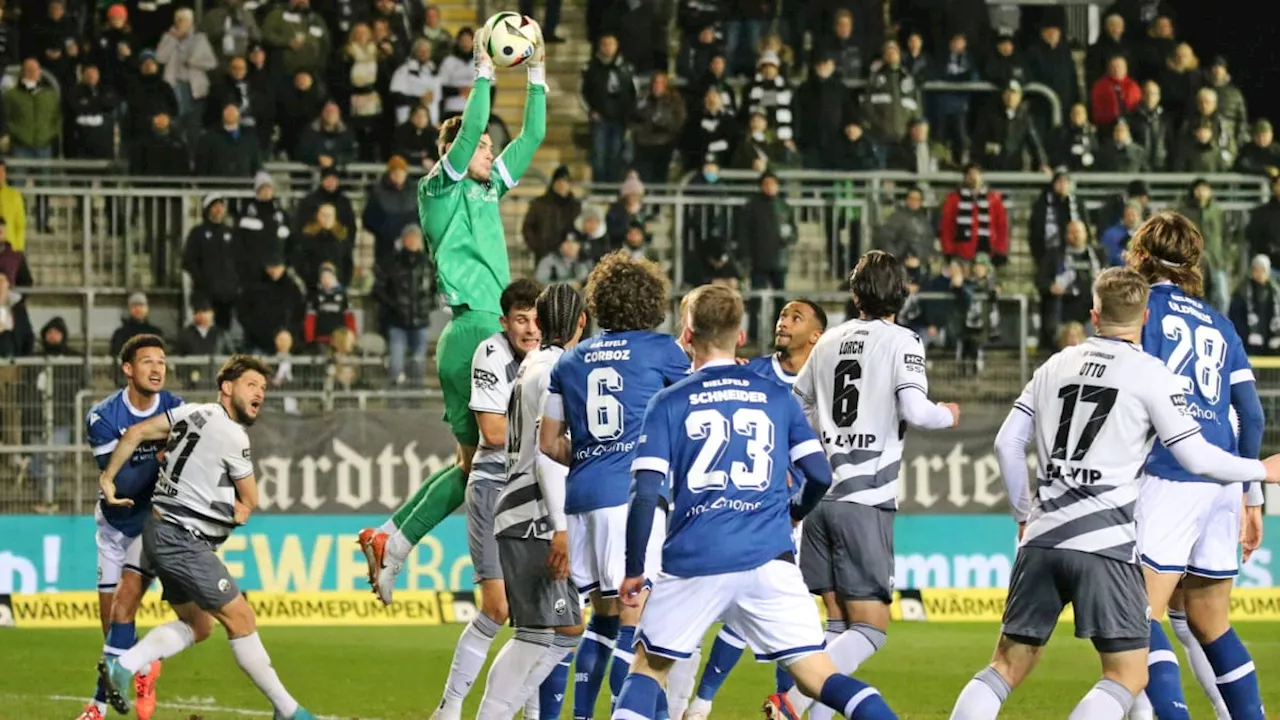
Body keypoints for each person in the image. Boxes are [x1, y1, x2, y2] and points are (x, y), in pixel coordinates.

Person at [950, 267, 1280, 720]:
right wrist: (1259, 470)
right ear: (1145, 317)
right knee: (1126, 675)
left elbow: (1007, 443)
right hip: (1106, 543)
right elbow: (1198, 459)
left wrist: (1024, 514)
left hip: (1043, 537)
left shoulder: (1054, 365)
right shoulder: (1150, 375)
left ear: (1093, 313)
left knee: (1004, 665)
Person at [612, 284, 898, 720]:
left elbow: (645, 492)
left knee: (649, 668)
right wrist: (793, 513)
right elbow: (821, 474)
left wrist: (634, 568)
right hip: (770, 560)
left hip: (695, 559)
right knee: (820, 677)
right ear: (740, 336)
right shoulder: (776, 397)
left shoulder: (669, 401)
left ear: (686, 336)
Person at [358, 19, 547, 602]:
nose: (488, 148)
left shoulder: (489, 189)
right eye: (478, 144)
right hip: (476, 331)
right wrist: (484, 67)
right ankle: (495, 574)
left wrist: (536, 70)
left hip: (480, 331)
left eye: (490, 146)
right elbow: (468, 137)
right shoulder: (437, 189)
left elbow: (534, 135)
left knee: (471, 470)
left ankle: (391, 538)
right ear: (448, 153)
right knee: (496, 458)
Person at [781, 251, 960, 719]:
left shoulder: (829, 341)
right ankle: (792, 700)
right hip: (864, 501)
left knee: (838, 625)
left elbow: (792, 406)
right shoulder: (902, 340)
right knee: (872, 630)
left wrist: (814, 448)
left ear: (855, 293)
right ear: (900, 293)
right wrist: (949, 414)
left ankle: (805, 708)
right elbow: (917, 411)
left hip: (819, 499)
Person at [97, 356, 316, 720]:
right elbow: (251, 498)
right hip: (183, 539)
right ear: (227, 388)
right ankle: (290, 711)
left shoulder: (188, 413)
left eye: (263, 388)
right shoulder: (233, 435)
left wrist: (108, 479)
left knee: (200, 626)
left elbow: (135, 433)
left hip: (159, 531)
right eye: (251, 385)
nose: (259, 393)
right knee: (241, 619)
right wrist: (241, 509)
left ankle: (129, 663)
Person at [1123, 212, 1267, 720]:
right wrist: (1253, 497)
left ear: (1140, 256)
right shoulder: (1221, 323)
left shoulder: (1140, 312)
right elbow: (1251, 415)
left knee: (1136, 617)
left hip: (1169, 472)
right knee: (1211, 622)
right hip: (1224, 479)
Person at [538, 251, 693, 719]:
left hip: (582, 497)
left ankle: (584, 716)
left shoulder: (570, 361)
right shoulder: (664, 351)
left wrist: (588, 455)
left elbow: (548, 442)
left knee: (602, 620)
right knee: (638, 622)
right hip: (630, 500)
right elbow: (690, 416)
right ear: (651, 301)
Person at [687, 298, 829, 720]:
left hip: (803, 509)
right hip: (755, 508)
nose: (784, 322)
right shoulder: (752, 373)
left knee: (783, 610)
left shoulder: (826, 382)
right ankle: (708, 703)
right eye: (783, 315)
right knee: (758, 605)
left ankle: (722, 703)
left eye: (795, 317)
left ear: (816, 336)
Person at [472, 283, 588, 720]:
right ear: (581, 322)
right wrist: (560, 526)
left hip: (519, 508)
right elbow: (547, 453)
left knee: (556, 630)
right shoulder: (560, 370)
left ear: (538, 322)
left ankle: (505, 711)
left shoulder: (531, 365)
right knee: (540, 634)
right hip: (535, 515)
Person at [429, 279, 542, 719]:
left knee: (537, 618)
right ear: (504, 322)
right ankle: (450, 707)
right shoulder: (491, 354)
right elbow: (492, 435)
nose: (530, 329)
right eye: (520, 320)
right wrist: (550, 434)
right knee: (498, 607)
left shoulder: (549, 355)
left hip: (535, 493)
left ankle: (529, 712)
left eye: (536, 319)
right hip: (495, 486)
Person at [78, 335, 184, 720]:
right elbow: (120, 485)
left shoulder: (176, 408)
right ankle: (145, 667)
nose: (157, 369)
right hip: (113, 527)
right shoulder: (103, 416)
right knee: (112, 626)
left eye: (162, 361)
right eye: (147, 361)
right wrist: (160, 456)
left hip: (152, 529)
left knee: (124, 609)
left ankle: (97, 708)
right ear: (128, 369)